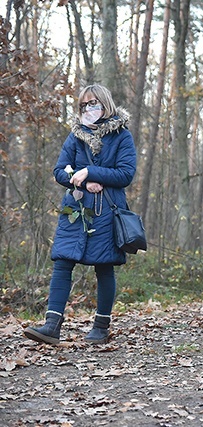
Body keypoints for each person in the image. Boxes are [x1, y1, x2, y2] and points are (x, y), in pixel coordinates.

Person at [24, 84, 137, 345]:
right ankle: (52, 325)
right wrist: (82, 181)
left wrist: (92, 172)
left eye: (94, 102)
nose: (89, 108)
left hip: (107, 210)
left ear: (105, 104)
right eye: (85, 104)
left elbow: (126, 174)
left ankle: (100, 326)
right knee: (62, 262)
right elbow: (59, 171)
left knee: (104, 266)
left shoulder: (122, 136)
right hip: (75, 209)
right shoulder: (75, 136)